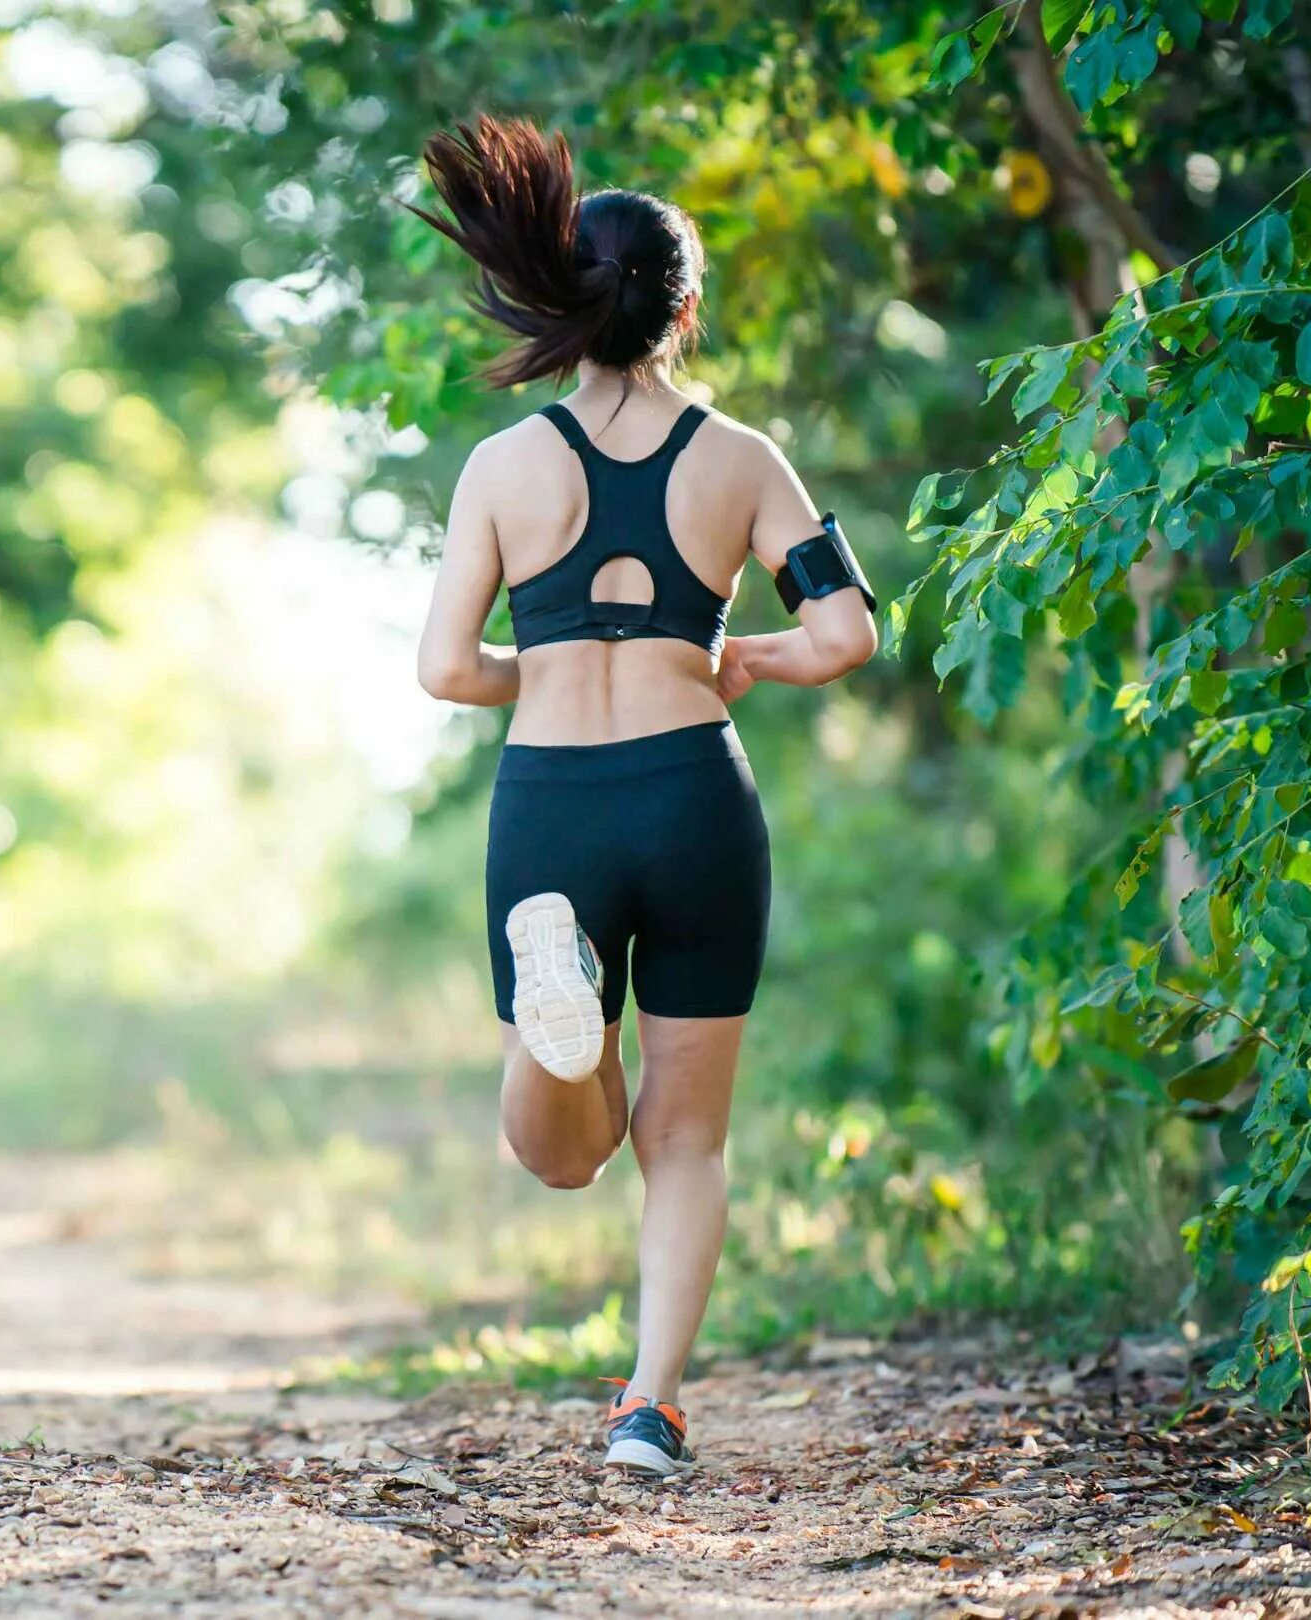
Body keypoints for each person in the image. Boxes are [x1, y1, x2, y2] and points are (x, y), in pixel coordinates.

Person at [406, 116, 882, 1478]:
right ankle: (649, 1413)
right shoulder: (744, 459)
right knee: (687, 1140)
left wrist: (545, 663)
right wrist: (735, 659)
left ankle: (560, 1044)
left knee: (566, 1151)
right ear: (686, 305)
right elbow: (847, 635)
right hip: (693, 796)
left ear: (565, 295)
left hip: (550, 798)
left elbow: (446, 668)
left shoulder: (505, 467)